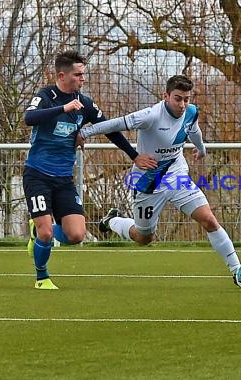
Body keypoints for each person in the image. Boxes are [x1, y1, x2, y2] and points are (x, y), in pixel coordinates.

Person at [75, 74, 241, 283]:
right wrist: (86, 132)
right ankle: (112, 220)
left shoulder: (191, 112)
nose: (183, 104)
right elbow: (115, 124)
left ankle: (237, 270)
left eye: (187, 99)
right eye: (178, 98)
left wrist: (201, 148)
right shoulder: (151, 115)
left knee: (208, 219)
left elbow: (194, 130)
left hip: (177, 177)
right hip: (148, 184)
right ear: (166, 96)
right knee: (143, 238)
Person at [23, 50, 156, 290]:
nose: (82, 79)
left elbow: (109, 128)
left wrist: (134, 155)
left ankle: (40, 231)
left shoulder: (83, 103)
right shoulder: (46, 96)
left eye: (84, 74)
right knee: (45, 235)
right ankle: (41, 277)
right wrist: (62, 110)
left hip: (63, 178)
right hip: (37, 174)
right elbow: (29, 117)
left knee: (76, 235)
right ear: (62, 75)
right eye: (78, 74)